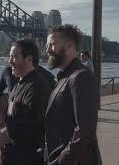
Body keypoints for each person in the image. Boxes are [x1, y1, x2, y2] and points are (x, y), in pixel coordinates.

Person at [45, 24, 102, 165]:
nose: (47, 50)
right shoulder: (64, 77)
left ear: (70, 47)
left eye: (52, 44)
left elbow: (84, 132)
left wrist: (61, 161)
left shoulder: (81, 77)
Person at [0, 38, 51, 165]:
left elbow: (29, 125)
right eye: (10, 57)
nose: (9, 61)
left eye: (14, 57)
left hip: (27, 157)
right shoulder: (20, 82)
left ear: (29, 59)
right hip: (13, 154)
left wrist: (3, 138)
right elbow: (14, 117)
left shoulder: (36, 86)